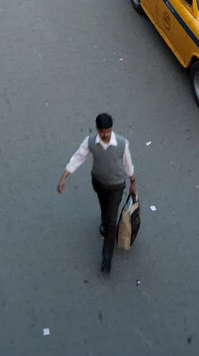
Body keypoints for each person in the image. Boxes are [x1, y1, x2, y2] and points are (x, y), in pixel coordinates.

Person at [57, 112, 136, 275]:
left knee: (112, 219)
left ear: (111, 129)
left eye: (107, 131)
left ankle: (107, 258)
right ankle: (104, 220)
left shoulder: (122, 143)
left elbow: (128, 163)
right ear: (97, 129)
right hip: (99, 183)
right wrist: (64, 176)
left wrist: (133, 181)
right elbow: (78, 157)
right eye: (102, 131)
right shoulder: (90, 142)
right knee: (104, 207)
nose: (105, 134)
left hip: (116, 186)